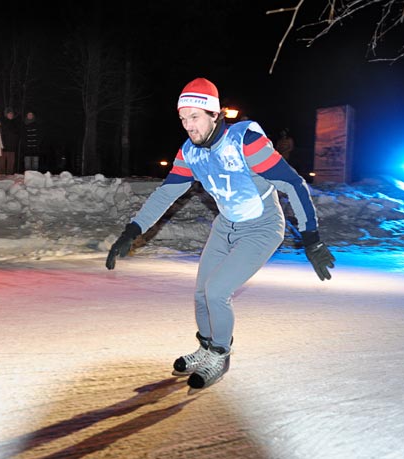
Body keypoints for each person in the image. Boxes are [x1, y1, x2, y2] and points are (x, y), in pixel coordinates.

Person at [105, 77, 335, 394]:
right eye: (183, 119)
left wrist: (311, 237)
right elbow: (164, 195)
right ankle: (206, 346)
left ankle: (220, 354)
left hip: (262, 226)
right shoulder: (190, 153)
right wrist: (132, 230)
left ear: (215, 114)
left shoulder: (246, 142)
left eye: (195, 117)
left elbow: (292, 184)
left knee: (216, 292)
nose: (188, 126)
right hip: (225, 225)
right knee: (201, 292)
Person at [0, 107, 20, 174]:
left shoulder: (15, 123)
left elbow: (17, 133)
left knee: (11, 160)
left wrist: (16, 141)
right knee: (2, 160)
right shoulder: (2, 122)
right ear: (6, 114)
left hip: (12, 145)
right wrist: (1, 143)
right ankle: (1, 173)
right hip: (3, 144)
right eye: (9, 113)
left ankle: (10, 173)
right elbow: (0, 133)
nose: (10, 115)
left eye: (11, 113)